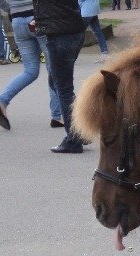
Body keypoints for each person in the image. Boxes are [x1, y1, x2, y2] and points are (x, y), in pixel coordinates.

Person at [0, 0, 63, 130]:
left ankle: (2, 101)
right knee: (54, 70)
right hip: (39, 18)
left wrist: (11, 8)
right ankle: (57, 116)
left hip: (17, 21)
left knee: (30, 71)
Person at [32, 0, 86, 153]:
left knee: (63, 88)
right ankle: (81, 130)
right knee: (56, 83)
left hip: (60, 33)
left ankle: (74, 139)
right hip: (71, 29)